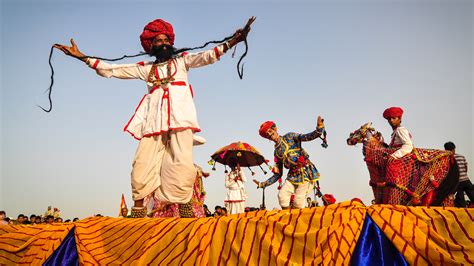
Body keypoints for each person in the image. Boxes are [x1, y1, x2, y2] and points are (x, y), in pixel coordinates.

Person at [54, 18, 253, 218]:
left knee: (181, 164)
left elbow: (208, 56)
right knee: (141, 164)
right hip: (153, 122)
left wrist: (235, 40)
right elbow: (114, 70)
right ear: (151, 45)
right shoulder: (145, 67)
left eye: (166, 39)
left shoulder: (182, 60)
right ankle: (138, 212)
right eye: (158, 40)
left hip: (180, 119)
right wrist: (82, 57)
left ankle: (185, 213)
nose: (164, 43)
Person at [253, 116, 326, 209]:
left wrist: (319, 128)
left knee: (298, 202)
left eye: (271, 132)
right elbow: (278, 174)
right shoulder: (276, 152)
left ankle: (299, 221)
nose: (271, 135)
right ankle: (289, 218)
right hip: (292, 175)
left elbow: (307, 137)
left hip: (306, 173)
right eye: (268, 135)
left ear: (275, 129)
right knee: (282, 196)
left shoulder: (290, 136)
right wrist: (264, 184)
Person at [444, 141, 474, 207]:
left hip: (457, 182)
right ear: (454, 148)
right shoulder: (461, 156)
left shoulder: (447, 159)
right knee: (472, 195)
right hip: (466, 180)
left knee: (461, 201)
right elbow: (466, 168)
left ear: (446, 150)